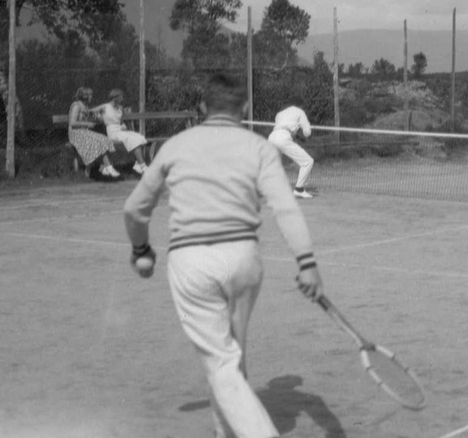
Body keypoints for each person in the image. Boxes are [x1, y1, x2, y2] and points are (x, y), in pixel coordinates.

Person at [123, 73, 323, 438]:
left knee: (222, 363)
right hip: (244, 261)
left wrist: (141, 249)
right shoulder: (258, 147)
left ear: (202, 108)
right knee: (231, 359)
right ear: (244, 109)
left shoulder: (176, 145)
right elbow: (286, 209)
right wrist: (306, 262)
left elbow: (135, 210)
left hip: (191, 263)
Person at [67, 87, 120, 180]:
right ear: (85, 96)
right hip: (75, 134)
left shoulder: (85, 106)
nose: (92, 97)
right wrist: (87, 123)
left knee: (104, 139)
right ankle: (108, 167)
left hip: (84, 132)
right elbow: (72, 123)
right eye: (90, 95)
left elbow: (88, 118)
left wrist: (98, 117)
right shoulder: (76, 106)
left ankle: (103, 168)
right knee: (96, 142)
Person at [268, 102, 315, 199]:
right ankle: (299, 190)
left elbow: (285, 128)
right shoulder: (299, 111)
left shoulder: (280, 114)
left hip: (272, 137)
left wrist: (296, 135)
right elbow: (307, 132)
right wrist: (306, 133)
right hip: (283, 138)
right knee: (308, 162)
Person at [100, 89, 149, 175]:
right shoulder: (105, 107)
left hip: (120, 130)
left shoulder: (120, 108)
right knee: (132, 139)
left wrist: (124, 127)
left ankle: (138, 164)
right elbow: (90, 111)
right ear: (116, 97)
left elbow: (121, 122)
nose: (122, 99)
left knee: (140, 137)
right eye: (121, 97)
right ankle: (143, 165)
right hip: (112, 132)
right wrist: (98, 117)